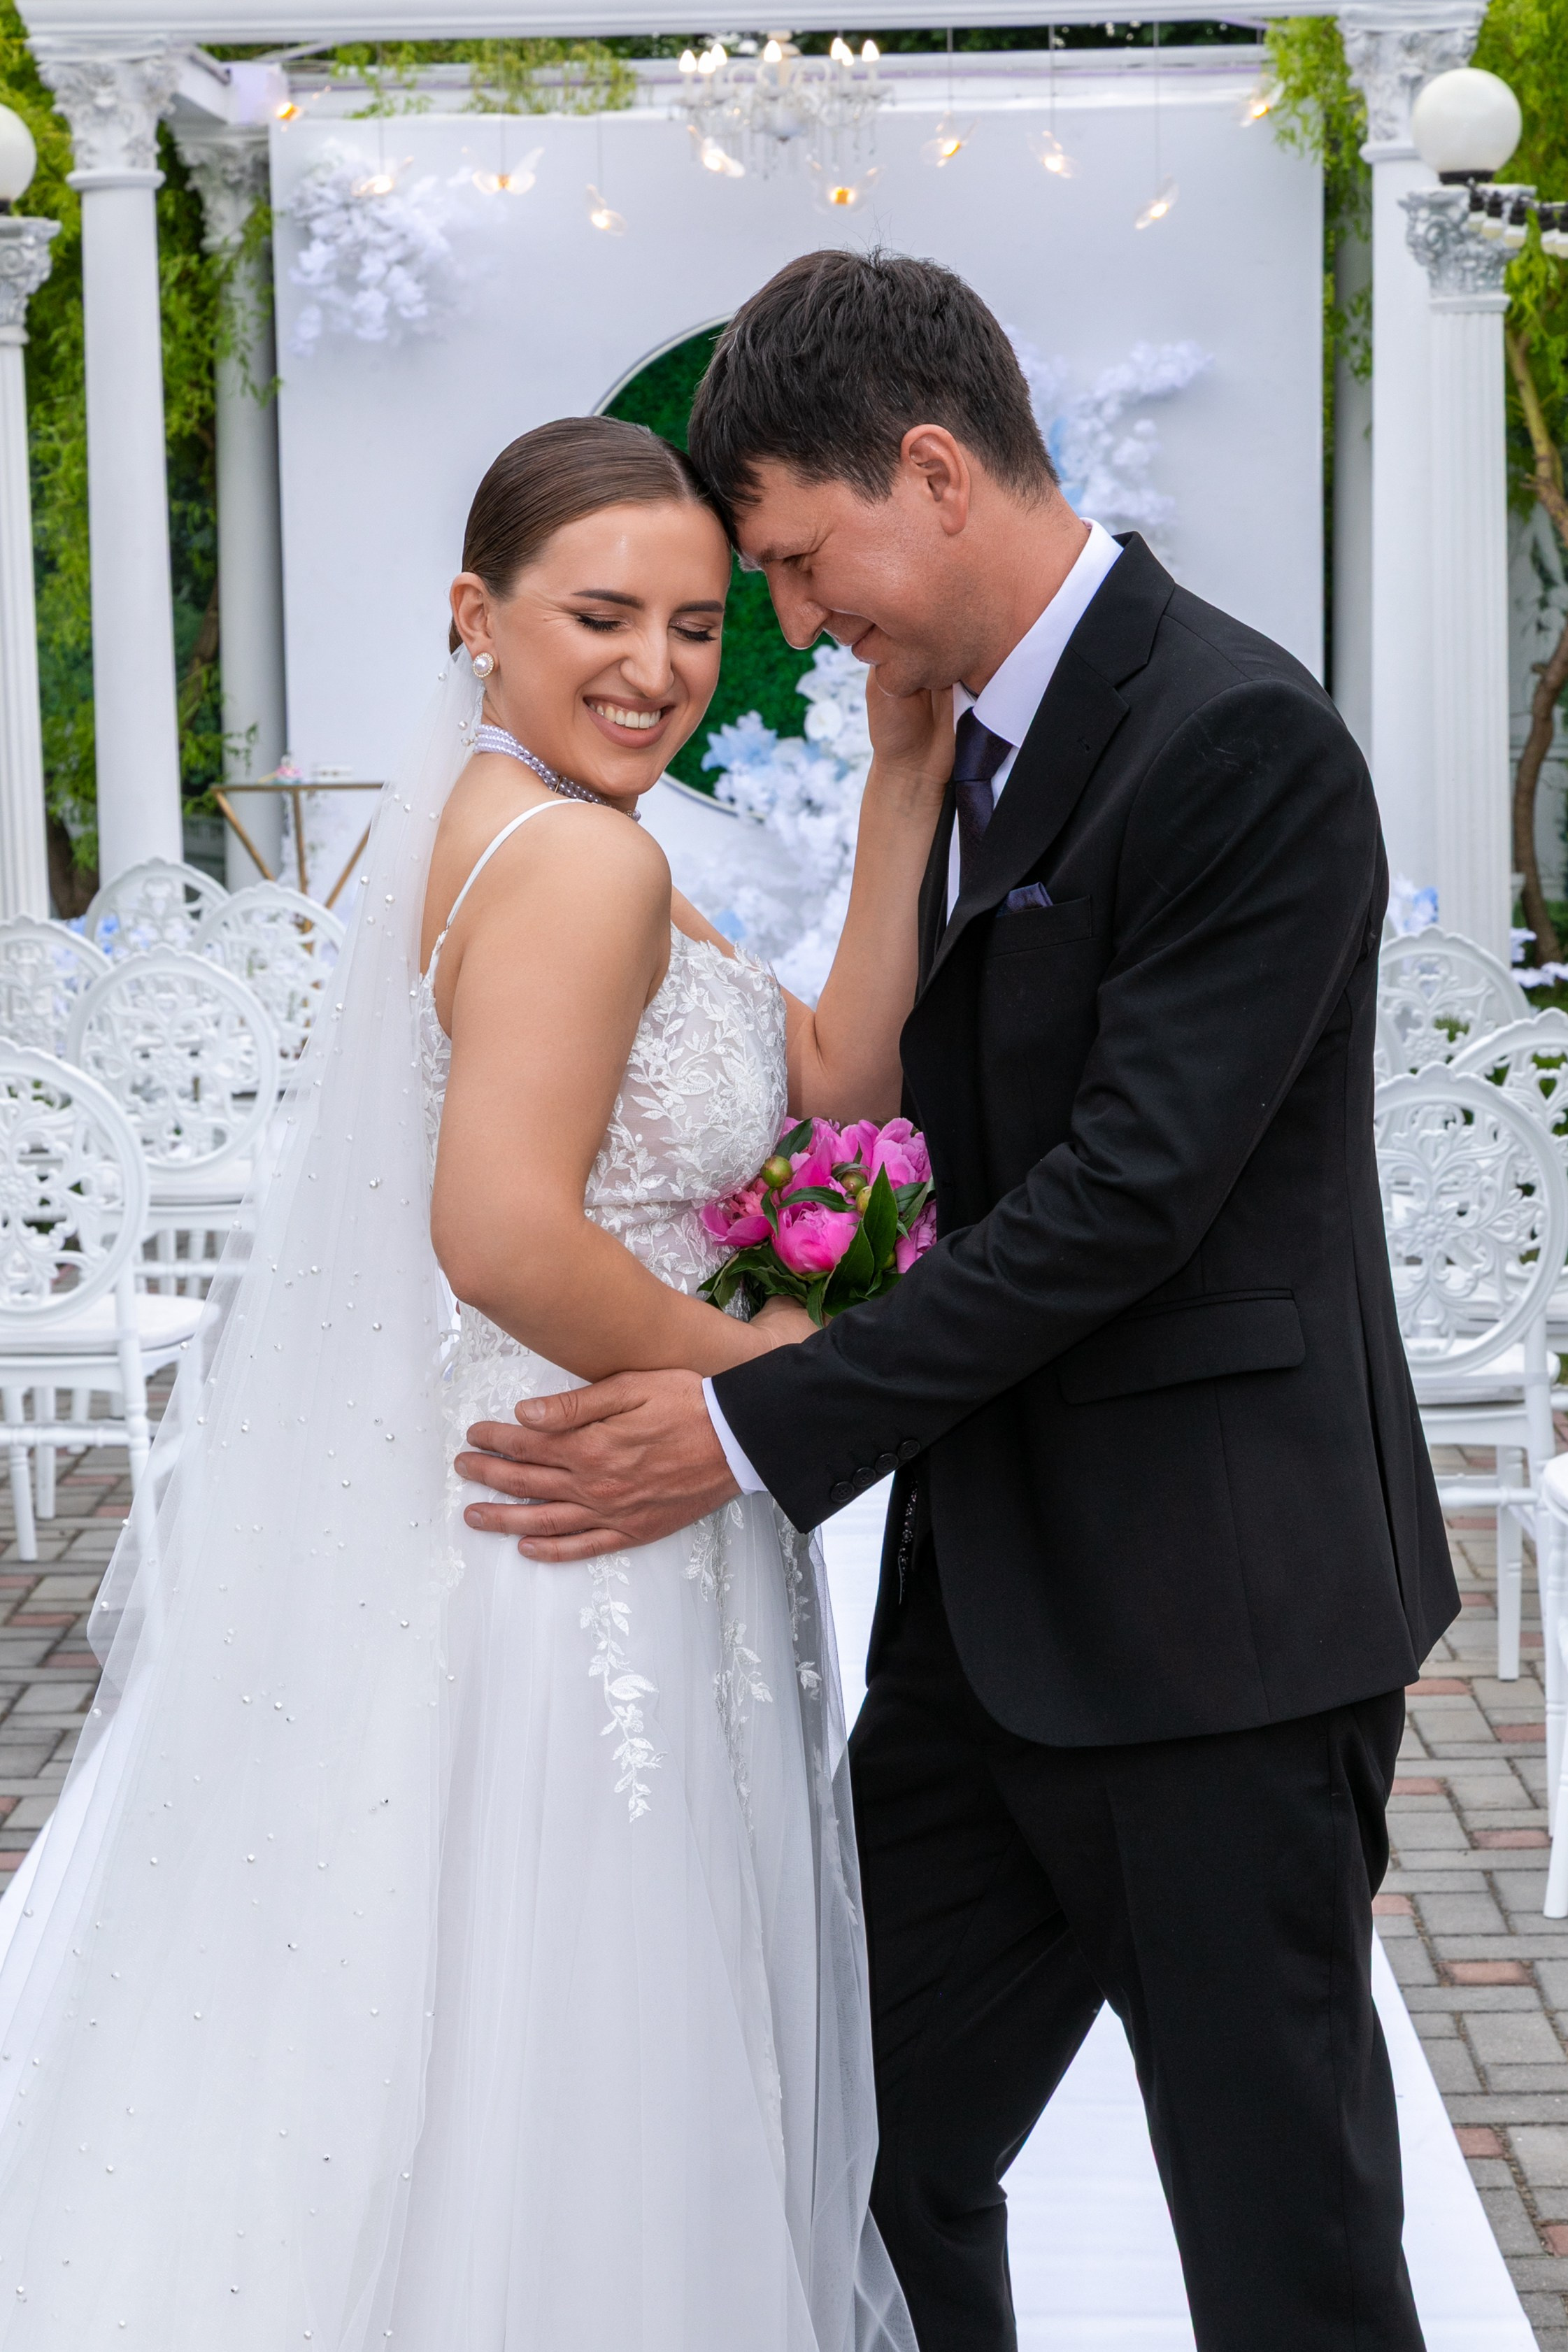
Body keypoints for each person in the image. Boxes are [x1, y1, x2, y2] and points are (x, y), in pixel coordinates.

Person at [457, 252, 1460, 2352]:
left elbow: (1121, 1200)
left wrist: (750, 1416)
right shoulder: (970, 733)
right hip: (981, 1631)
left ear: (930, 469)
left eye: (805, 567)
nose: (805, 629)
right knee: (859, 2158)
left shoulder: (1238, 739)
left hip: (1220, 1633)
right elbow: (922, 1113)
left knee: (1278, 2231)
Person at [0, 415, 937, 2349]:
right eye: (601, 614)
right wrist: (759, 1381)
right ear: (473, 613)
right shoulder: (578, 868)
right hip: (590, 1512)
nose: (656, 668)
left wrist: (902, 786)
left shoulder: (506, 829)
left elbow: (834, 1079)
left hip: (506, 1495)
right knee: (593, 2061)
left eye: (696, 626)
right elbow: (503, 1234)